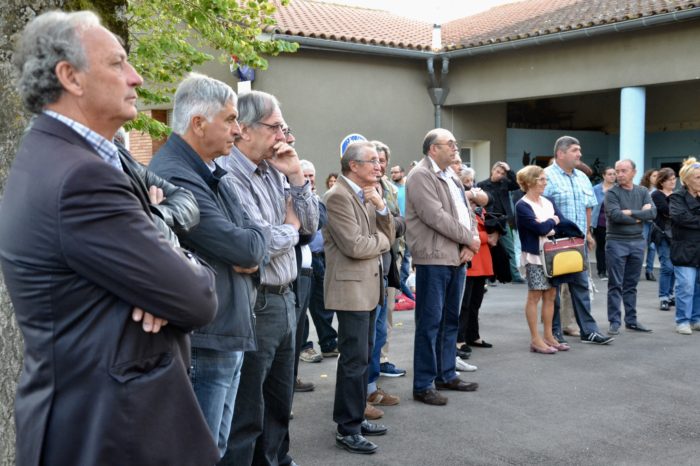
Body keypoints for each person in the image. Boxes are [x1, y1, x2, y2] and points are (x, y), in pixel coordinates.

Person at [0, 12, 220, 465]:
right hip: (109, 431)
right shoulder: (81, 176)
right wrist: (169, 276)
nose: (136, 78)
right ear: (70, 77)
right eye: (118, 63)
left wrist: (159, 274)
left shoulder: (57, 155)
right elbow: (197, 298)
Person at [149, 73, 270, 459]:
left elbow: (254, 236)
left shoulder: (209, 170)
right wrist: (253, 247)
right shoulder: (176, 173)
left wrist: (253, 247)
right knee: (200, 452)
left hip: (224, 329)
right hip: (205, 337)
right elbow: (245, 244)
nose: (237, 130)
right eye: (231, 119)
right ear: (199, 123)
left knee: (215, 446)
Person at [220, 90, 319, 466]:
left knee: (279, 401)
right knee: (248, 406)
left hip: (287, 296)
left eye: (284, 127)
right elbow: (255, 241)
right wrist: (289, 229)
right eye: (275, 127)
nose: (284, 136)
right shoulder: (229, 174)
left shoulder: (274, 171)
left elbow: (309, 224)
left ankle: (276, 460)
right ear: (243, 130)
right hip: (256, 299)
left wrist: (296, 177)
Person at [324, 141, 395, 454]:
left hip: (368, 289)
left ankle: (354, 418)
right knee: (354, 361)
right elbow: (356, 246)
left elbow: (388, 234)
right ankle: (348, 427)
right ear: (353, 165)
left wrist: (380, 208)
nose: (379, 166)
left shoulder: (366, 193)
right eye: (372, 161)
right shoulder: (337, 196)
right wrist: (381, 239)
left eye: (379, 162)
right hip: (351, 291)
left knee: (362, 359)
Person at [406, 128, 480, 407]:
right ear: (432, 149)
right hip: (433, 258)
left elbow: (466, 212)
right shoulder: (421, 175)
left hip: (455, 256)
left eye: (455, 143)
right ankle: (423, 384)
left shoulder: (452, 176)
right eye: (449, 144)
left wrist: (469, 242)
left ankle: (446, 373)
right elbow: (434, 216)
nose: (455, 148)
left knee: (450, 319)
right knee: (429, 322)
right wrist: (469, 239)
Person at [543, 136, 613, 345]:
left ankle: (589, 331)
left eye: (579, 150)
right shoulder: (546, 177)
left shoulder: (582, 177)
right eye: (575, 150)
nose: (579, 154)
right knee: (553, 290)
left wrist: (588, 233)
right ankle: (554, 332)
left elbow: (588, 206)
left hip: (577, 243)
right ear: (560, 153)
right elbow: (539, 207)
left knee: (581, 287)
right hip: (554, 243)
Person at [515, 166, 570, 354]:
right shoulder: (522, 205)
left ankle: (548, 336)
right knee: (535, 296)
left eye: (545, 179)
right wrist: (551, 223)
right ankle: (535, 339)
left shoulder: (549, 201)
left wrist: (549, 225)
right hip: (534, 256)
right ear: (530, 181)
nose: (545, 182)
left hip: (553, 256)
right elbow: (539, 230)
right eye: (541, 179)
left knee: (551, 296)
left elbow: (562, 224)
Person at [604, 159, 656, 335]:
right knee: (615, 284)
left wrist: (631, 213)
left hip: (637, 242)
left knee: (631, 284)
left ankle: (631, 321)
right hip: (616, 242)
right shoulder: (612, 193)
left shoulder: (642, 191)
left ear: (634, 172)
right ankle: (614, 321)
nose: (619, 174)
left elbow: (653, 213)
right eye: (617, 171)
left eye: (623, 171)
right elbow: (616, 215)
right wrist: (641, 215)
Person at [456, 167, 491, 368]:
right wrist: (489, 237)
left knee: (476, 302)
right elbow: (472, 232)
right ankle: (460, 339)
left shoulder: (478, 205)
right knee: (464, 303)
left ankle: (473, 335)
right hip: (471, 259)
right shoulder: (461, 205)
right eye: (466, 180)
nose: (470, 183)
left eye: (471, 179)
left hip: (482, 259)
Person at [478, 161, 524, 283]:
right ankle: (488, 278)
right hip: (488, 220)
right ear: (492, 171)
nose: (499, 175)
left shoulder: (505, 183)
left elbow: (517, 184)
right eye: (498, 172)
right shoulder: (482, 184)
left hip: (504, 220)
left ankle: (515, 276)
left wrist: (509, 171)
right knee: (488, 249)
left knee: (510, 248)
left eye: (502, 173)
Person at [669, 158, 700, 335]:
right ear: (687, 180)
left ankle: (696, 319)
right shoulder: (677, 197)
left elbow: (690, 219)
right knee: (686, 287)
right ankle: (682, 321)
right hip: (684, 250)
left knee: (698, 287)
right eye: (697, 177)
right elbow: (681, 218)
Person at [651, 168, 677, 311]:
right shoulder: (656, 194)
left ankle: (671, 294)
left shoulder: (677, 195)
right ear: (662, 181)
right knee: (667, 266)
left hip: (677, 235)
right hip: (662, 234)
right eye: (670, 179)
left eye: (674, 179)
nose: (673, 182)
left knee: (674, 266)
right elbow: (667, 211)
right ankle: (663, 297)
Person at [591, 167, 616, 279]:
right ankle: (601, 271)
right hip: (600, 222)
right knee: (601, 247)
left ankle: (613, 270)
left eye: (614, 174)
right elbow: (590, 205)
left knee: (614, 247)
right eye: (609, 174)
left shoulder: (618, 189)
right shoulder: (596, 189)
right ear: (604, 176)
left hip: (615, 223)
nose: (612, 176)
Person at [640, 168, 659, 281]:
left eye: (658, 176)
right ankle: (637, 271)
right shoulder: (643, 190)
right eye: (654, 176)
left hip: (655, 223)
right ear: (648, 177)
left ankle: (649, 271)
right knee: (641, 247)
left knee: (652, 248)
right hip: (645, 222)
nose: (656, 178)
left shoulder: (660, 190)